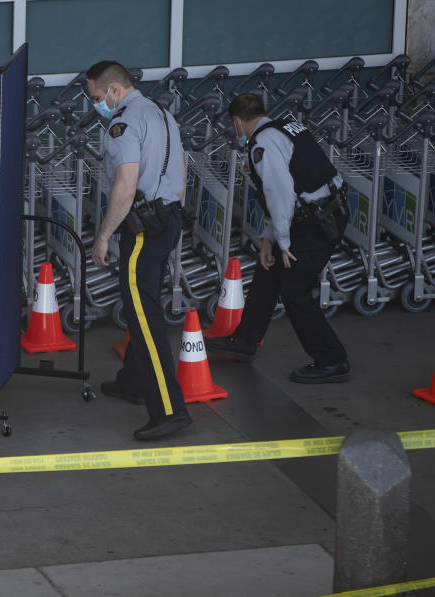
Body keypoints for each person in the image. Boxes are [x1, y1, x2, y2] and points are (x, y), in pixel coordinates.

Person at [205, 93, 350, 383]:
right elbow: (291, 191)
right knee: (268, 272)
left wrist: (282, 241)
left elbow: (280, 194)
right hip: (322, 212)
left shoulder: (262, 144)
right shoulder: (286, 127)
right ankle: (244, 341)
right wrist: (268, 241)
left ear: (236, 122)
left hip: (316, 222)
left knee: (295, 290)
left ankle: (331, 361)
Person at [87, 60, 191, 441]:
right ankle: (133, 381)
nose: (96, 104)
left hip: (143, 230)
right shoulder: (162, 114)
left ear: (114, 90)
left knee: (145, 319)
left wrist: (103, 236)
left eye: (97, 97)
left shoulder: (123, 123)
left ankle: (168, 409)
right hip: (168, 221)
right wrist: (170, 213)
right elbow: (180, 170)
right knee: (140, 306)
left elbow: (126, 187)